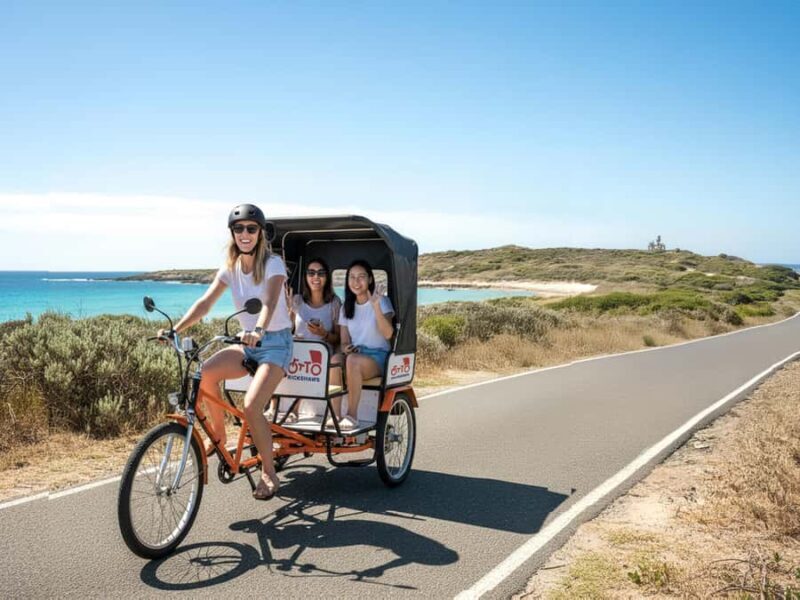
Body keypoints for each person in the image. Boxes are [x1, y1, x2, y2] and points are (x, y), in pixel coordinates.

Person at [157, 204, 292, 501]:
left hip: (275, 344)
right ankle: (218, 437)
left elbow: (269, 301)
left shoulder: (273, 264)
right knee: (204, 373)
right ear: (232, 233)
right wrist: (175, 330)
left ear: (260, 234)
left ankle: (268, 473)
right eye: (239, 228)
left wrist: (258, 329)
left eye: (251, 228)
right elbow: (205, 304)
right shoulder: (230, 268)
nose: (245, 234)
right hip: (247, 345)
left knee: (252, 406)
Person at [267, 257, 343, 423]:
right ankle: (273, 407)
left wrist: (323, 333)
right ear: (306, 277)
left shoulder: (334, 303)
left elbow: (338, 339)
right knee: (277, 355)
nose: (316, 277)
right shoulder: (297, 301)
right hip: (298, 349)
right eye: (311, 273)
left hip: (321, 354)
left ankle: (294, 410)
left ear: (327, 277)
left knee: (302, 359)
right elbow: (287, 329)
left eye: (321, 273)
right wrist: (287, 310)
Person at [335, 259, 394, 430]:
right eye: (352, 277)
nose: (356, 281)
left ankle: (352, 415)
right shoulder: (346, 307)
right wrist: (346, 348)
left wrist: (375, 307)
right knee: (333, 360)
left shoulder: (381, 301)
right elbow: (344, 342)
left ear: (369, 280)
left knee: (352, 360)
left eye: (361, 277)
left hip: (378, 356)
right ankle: (335, 415)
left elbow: (388, 334)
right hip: (356, 354)